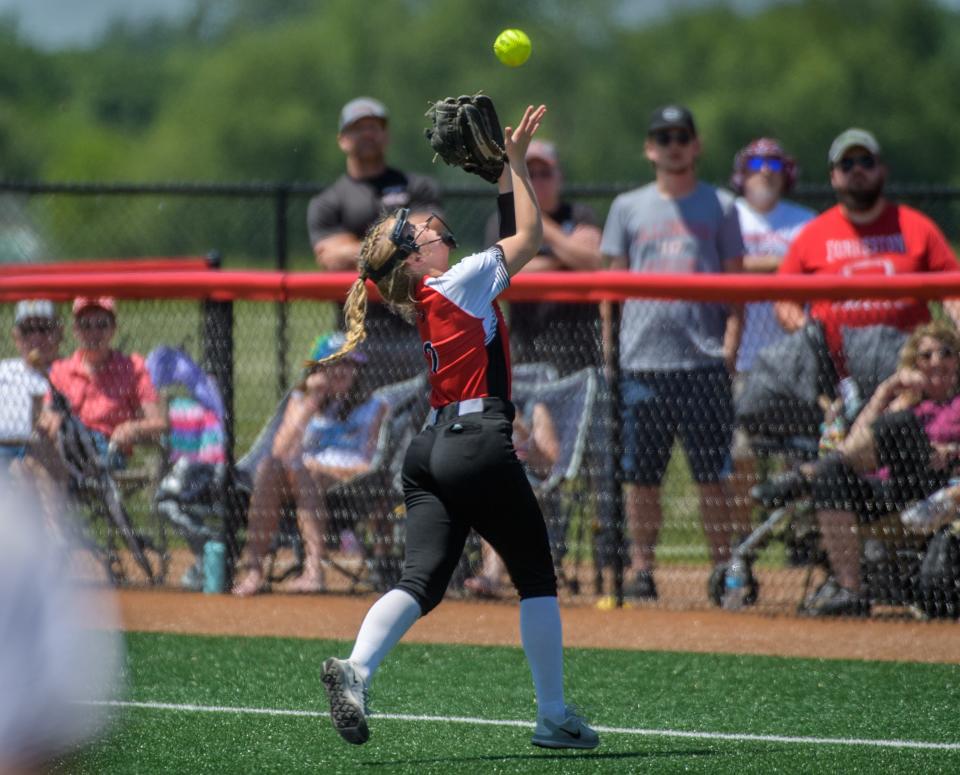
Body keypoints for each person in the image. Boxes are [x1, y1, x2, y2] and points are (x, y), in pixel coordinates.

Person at [313, 104, 599, 750]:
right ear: (416, 258)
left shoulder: (435, 293)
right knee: (535, 574)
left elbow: (508, 223)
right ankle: (553, 714)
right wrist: (516, 165)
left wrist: (505, 173)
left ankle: (357, 668)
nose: (432, 224)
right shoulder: (456, 281)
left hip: (430, 447)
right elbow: (525, 239)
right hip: (475, 441)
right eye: (420, 227)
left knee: (421, 581)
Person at [600, 104, 749, 601]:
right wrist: (611, 353)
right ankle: (642, 570)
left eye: (682, 135)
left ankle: (723, 570)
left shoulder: (722, 205)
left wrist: (728, 348)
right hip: (642, 361)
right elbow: (611, 288)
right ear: (649, 148)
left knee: (713, 477)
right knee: (642, 480)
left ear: (696, 144)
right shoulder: (627, 206)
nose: (673, 145)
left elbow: (735, 284)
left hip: (703, 362)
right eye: (663, 137)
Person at [753, 320, 960, 616]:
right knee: (833, 473)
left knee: (898, 425)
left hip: (936, 486)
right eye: (925, 356)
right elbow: (854, 442)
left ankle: (803, 477)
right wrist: (887, 390)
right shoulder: (903, 403)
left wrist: (953, 451)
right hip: (893, 489)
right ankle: (851, 590)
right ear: (914, 364)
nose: (936, 361)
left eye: (946, 352)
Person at [774, 128, 960, 369]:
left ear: (882, 169)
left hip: (911, 369)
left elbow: (953, 289)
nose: (857, 170)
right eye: (847, 164)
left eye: (866, 161)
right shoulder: (812, 234)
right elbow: (784, 301)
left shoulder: (916, 226)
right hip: (837, 376)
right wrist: (810, 334)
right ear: (833, 176)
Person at [232, 332, 387, 597]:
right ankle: (254, 570)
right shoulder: (302, 398)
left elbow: (371, 463)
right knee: (271, 467)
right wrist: (310, 403)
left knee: (307, 472)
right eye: (334, 364)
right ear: (319, 368)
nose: (342, 371)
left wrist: (320, 468)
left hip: (348, 486)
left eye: (349, 364)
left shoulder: (375, 405)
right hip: (297, 480)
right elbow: (279, 450)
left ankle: (314, 571)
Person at [307, 97, 442, 393]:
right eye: (358, 128)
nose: (367, 134)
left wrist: (357, 249)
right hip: (357, 337)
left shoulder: (417, 187)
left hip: (416, 329)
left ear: (386, 136)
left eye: (374, 127)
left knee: (420, 419)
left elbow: (430, 242)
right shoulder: (328, 201)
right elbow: (329, 257)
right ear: (342, 140)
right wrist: (398, 240)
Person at [727, 139, 817, 539]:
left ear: (788, 172)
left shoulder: (806, 221)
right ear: (742, 173)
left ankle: (799, 536)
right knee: (740, 455)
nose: (766, 170)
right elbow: (728, 266)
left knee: (797, 456)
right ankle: (744, 537)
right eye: (757, 163)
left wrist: (757, 268)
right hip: (742, 359)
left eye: (775, 164)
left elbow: (819, 268)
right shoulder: (730, 216)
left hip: (795, 359)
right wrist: (788, 264)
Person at [15, 297, 167, 524]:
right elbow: (47, 416)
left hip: (106, 451)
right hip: (64, 450)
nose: (93, 332)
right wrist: (49, 420)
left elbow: (159, 423)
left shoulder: (131, 367)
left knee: (36, 463)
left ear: (113, 329)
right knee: (19, 469)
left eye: (101, 325)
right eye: (86, 325)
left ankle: (52, 541)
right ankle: (47, 539)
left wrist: (132, 427)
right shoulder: (61, 370)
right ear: (75, 330)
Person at [484, 139, 603, 372]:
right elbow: (498, 274)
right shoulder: (505, 220)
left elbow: (595, 263)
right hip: (525, 349)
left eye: (545, 173)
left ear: (560, 177)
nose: (537, 181)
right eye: (529, 173)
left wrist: (546, 232)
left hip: (579, 349)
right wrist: (564, 255)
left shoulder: (581, 214)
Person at [463, 397, 560, 598]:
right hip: (485, 477)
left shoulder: (534, 407)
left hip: (526, 478)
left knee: (501, 497)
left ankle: (492, 575)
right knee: (492, 491)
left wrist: (521, 430)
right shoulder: (474, 404)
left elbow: (546, 465)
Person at [0, 300, 62, 466]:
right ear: (16, 336)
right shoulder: (4, 370)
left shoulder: (69, 372)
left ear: (59, 333)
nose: (36, 337)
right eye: (27, 330)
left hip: (48, 453)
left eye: (44, 328)